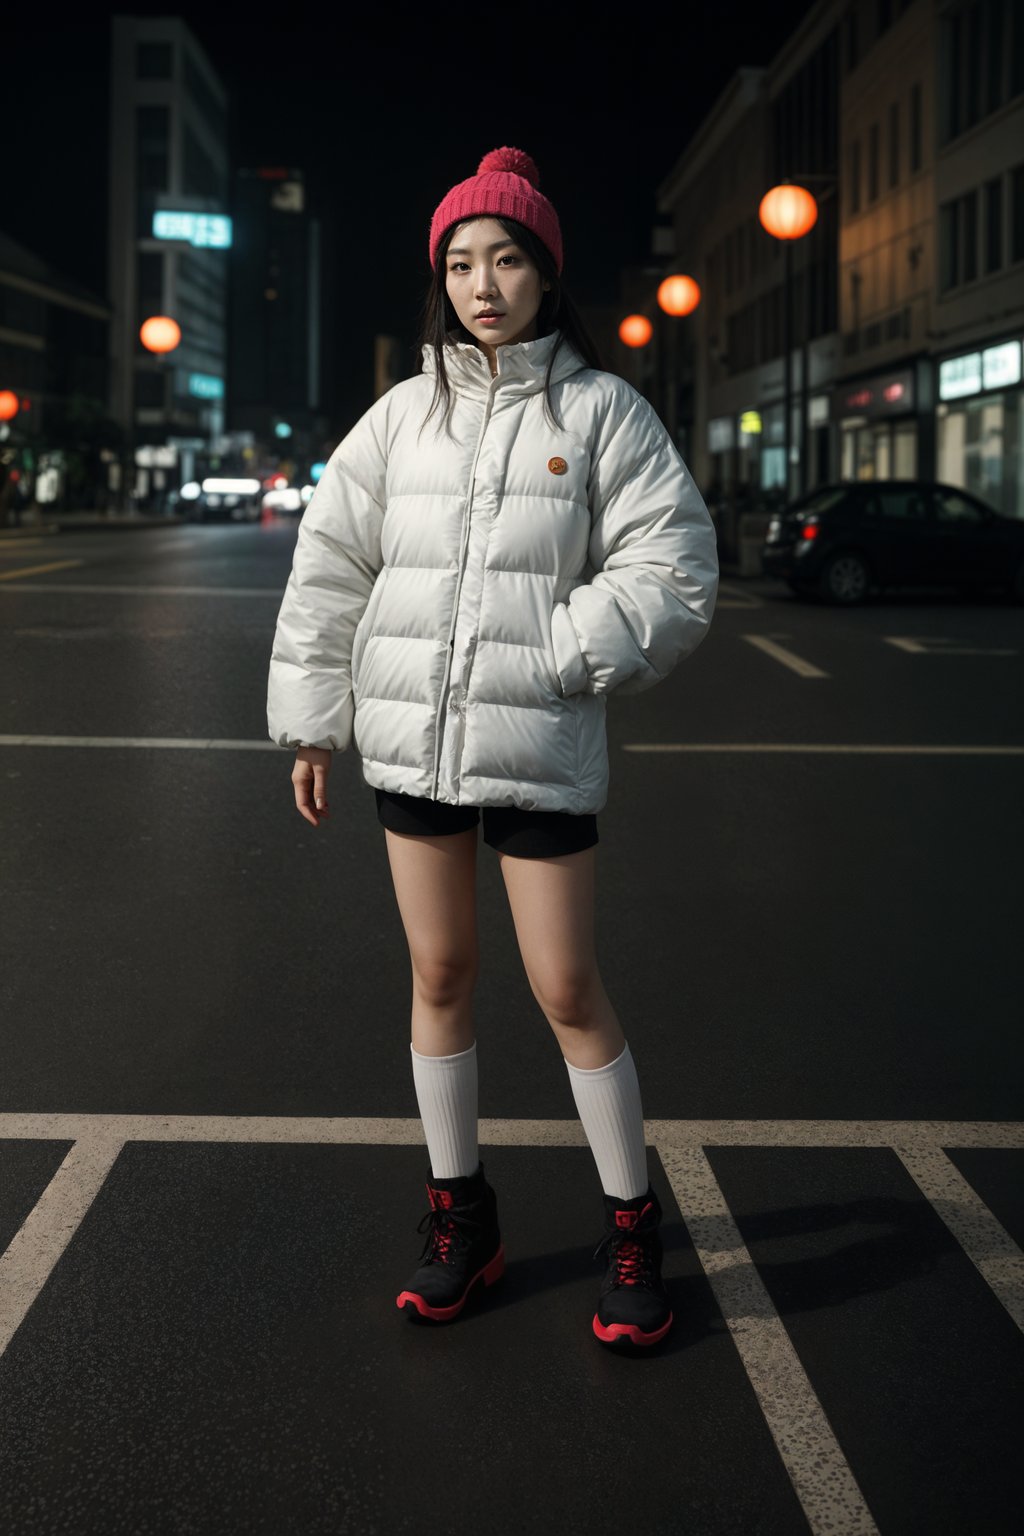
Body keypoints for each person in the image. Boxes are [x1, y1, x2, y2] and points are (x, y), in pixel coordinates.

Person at [268, 147, 718, 1349]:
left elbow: (674, 564)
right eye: (461, 261)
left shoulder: (600, 412)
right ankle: (462, 1216)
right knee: (441, 978)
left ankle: (633, 1222)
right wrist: (315, 719)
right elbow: (329, 566)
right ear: (440, 277)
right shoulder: (401, 416)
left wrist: (566, 647)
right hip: (411, 747)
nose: (482, 282)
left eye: (505, 258)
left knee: (567, 989)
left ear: (544, 274)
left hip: (538, 740)